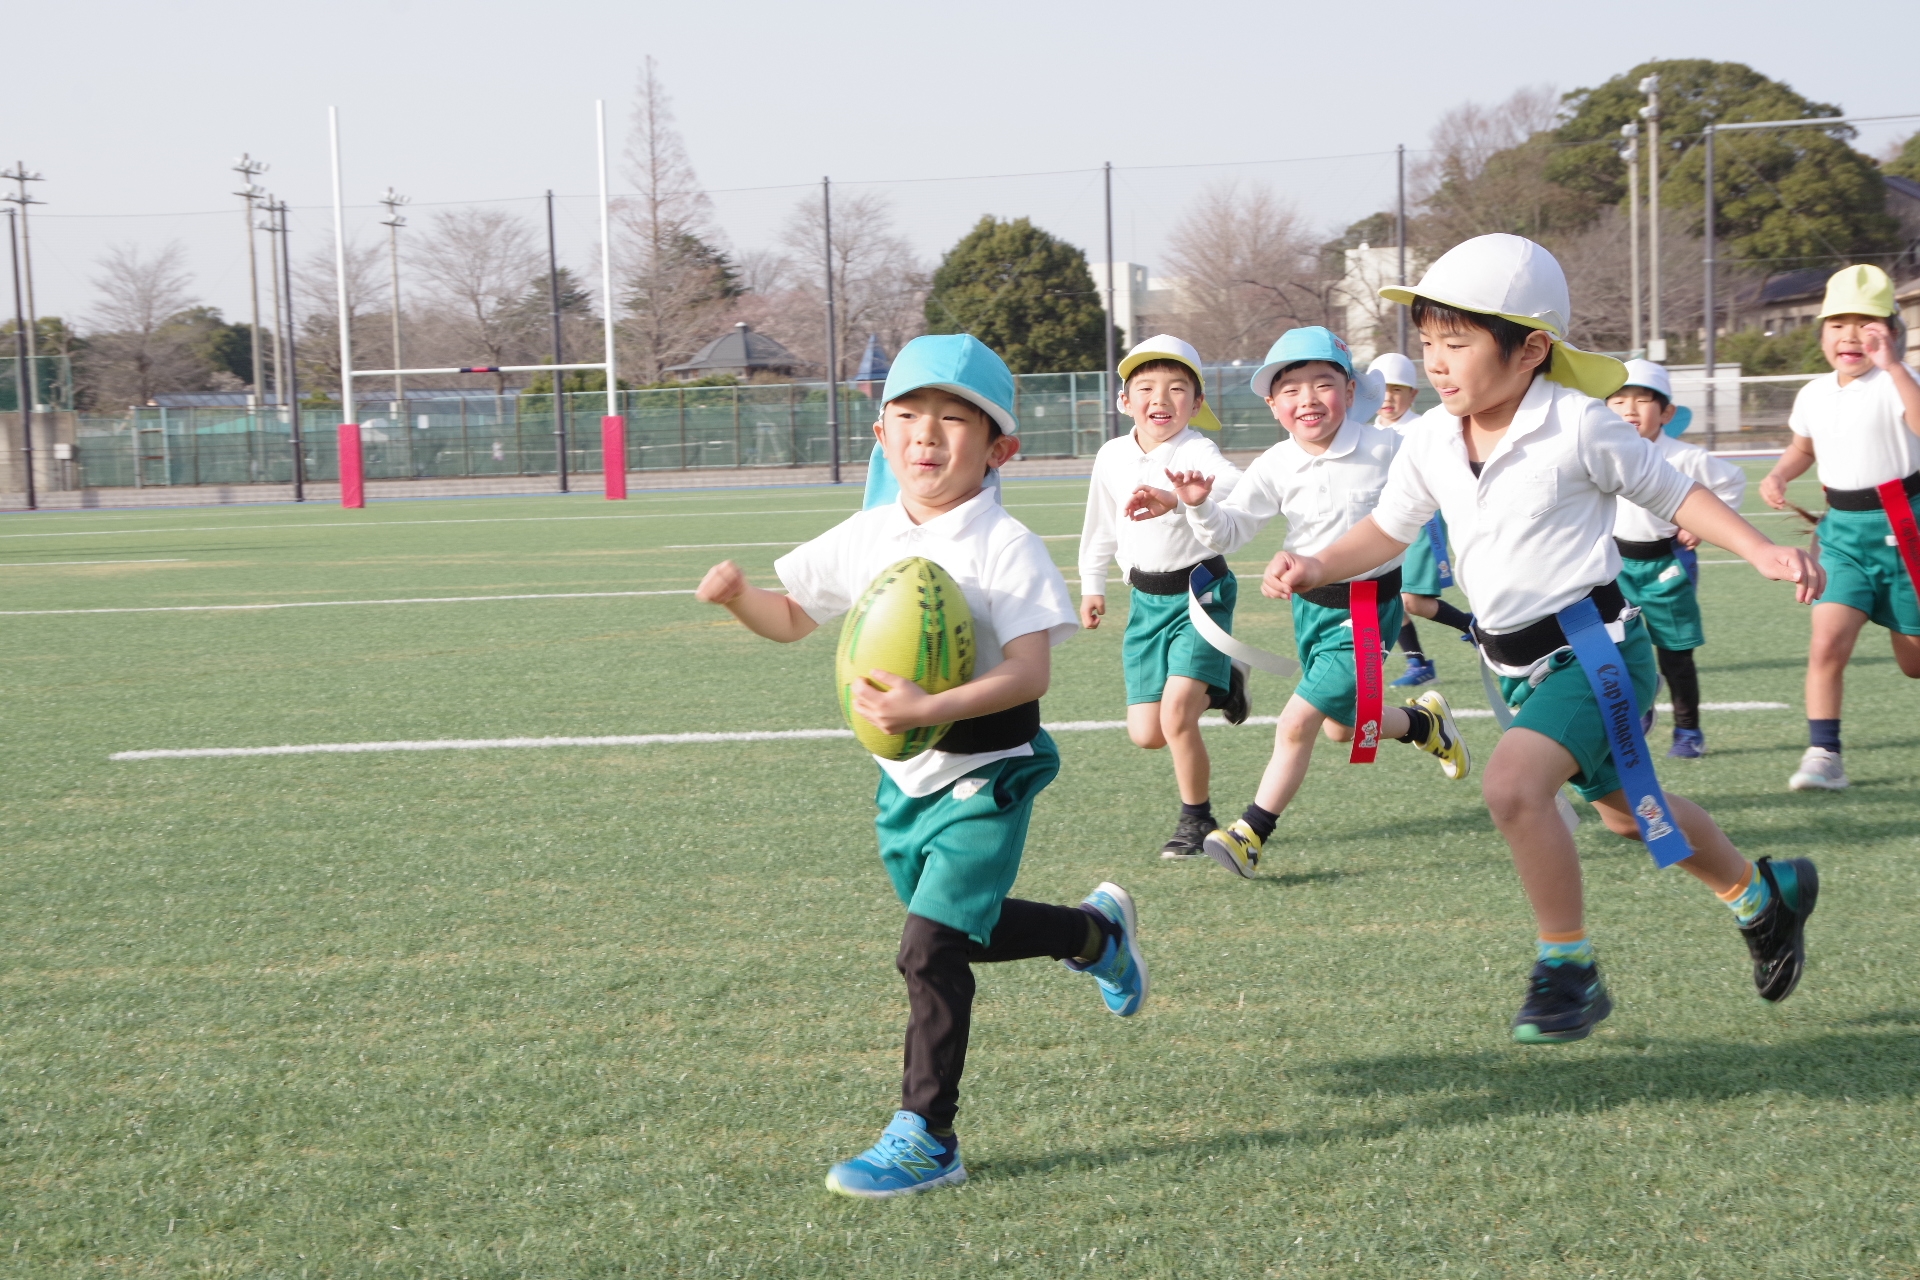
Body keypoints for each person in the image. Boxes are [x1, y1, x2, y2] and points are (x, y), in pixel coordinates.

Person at [1263, 234, 1824, 1042]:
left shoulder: (1578, 425)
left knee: (1513, 787)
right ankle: (1763, 898)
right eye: (1427, 344)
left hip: (1592, 652)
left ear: (1531, 349)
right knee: (1635, 816)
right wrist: (1317, 561)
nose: (1437, 363)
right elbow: (1390, 528)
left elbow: (1672, 491)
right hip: (1507, 661)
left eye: (1457, 343)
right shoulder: (1429, 437)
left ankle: (1569, 967)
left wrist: (1761, 548)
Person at [695, 334, 1146, 1197]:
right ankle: (1094, 935)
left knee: (928, 946)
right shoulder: (869, 533)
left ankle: (927, 1137)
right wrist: (740, 600)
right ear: (880, 434)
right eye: (906, 416)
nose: (926, 435)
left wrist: (928, 708)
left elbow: (1030, 669)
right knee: (961, 930)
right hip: (906, 780)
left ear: (998, 447)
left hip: (992, 771)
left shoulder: (1002, 543)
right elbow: (795, 616)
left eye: (950, 418)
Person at [1126, 327, 1470, 878]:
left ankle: (1250, 832)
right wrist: (1196, 505)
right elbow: (1231, 532)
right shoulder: (1275, 463)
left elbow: (1446, 489)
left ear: (1352, 390)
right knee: (1343, 726)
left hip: (1366, 608)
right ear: (1272, 404)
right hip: (1310, 609)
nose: (1307, 399)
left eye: (1322, 384)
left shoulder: (1389, 448)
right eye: (1290, 390)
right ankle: (1424, 726)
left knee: (1297, 722)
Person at [1079, 335, 1248, 858]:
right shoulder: (1111, 456)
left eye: (1178, 388)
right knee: (1148, 734)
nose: (1161, 398)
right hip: (1146, 604)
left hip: (1201, 594)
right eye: (1146, 387)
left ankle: (1196, 821)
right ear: (1124, 400)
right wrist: (1092, 585)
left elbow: (1235, 487)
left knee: (1176, 716)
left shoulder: (1196, 450)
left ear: (1196, 404)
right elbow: (1100, 527)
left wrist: (1179, 498)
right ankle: (1223, 683)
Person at [1757, 264, 1920, 791]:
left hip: (1906, 528)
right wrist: (1781, 473)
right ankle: (1824, 753)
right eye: (1837, 323)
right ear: (1822, 333)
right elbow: (1804, 446)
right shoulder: (1813, 394)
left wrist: (1895, 368)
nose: (1851, 335)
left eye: (1867, 323)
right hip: (1843, 535)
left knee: (1914, 665)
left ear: (1892, 331)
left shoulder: (1900, 382)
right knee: (1826, 643)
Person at [1606, 360, 1746, 758]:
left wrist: (1700, 526)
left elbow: (1732, 480)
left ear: (1666, 412)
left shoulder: (1686, 457)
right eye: (1618, 401)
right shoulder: (1604, 453)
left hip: (1668, 565)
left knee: (1675, 653)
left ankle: (1688, 731)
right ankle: (1640, 704)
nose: (1629, 410)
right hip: (1614, 565)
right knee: (1614, 647)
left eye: (1642, 401)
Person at [1370, 352, 1475, 686]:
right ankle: (1418, 661)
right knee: (1388, 597)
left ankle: (1469, 628)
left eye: (1398, 390)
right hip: (1386, 525)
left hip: (1423, 524)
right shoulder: (1366, 432)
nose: (1388, 397)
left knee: (1409, 599)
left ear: (1413, 395)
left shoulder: (1422, 428)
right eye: (1382, 390)